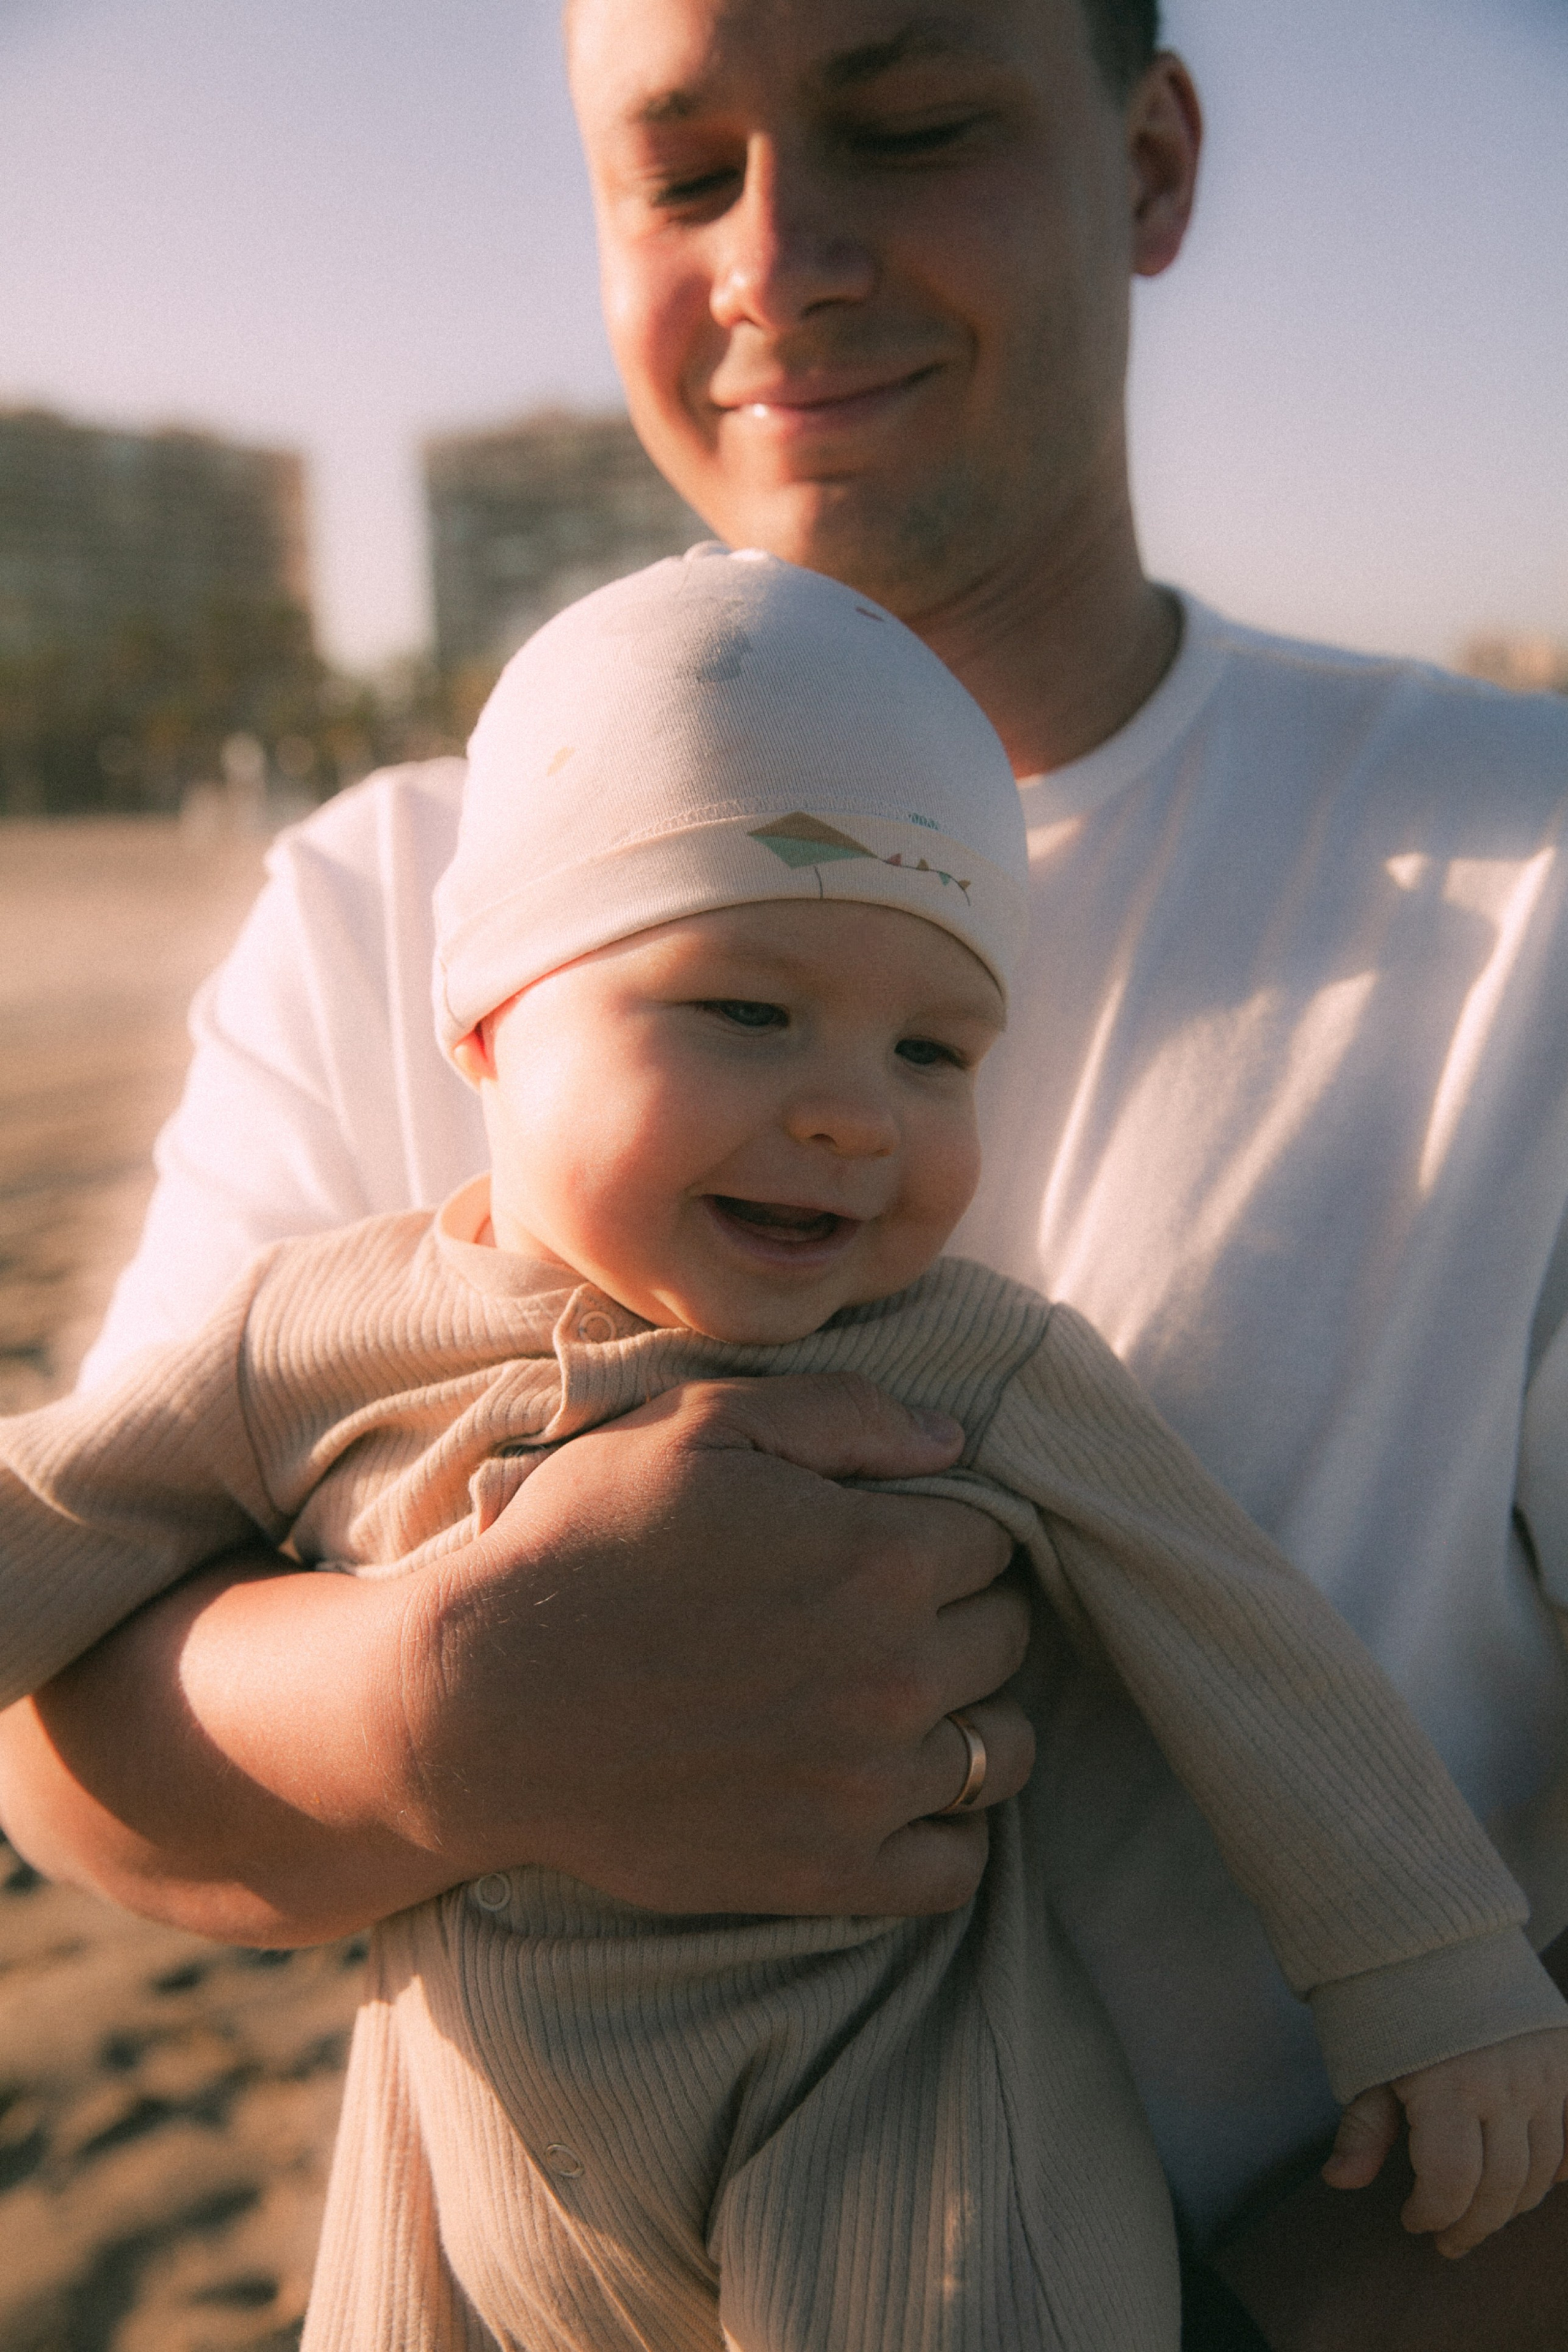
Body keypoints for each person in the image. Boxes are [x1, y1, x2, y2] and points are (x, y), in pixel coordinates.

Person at [2, 2, 1566, 2343]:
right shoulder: (387, 896)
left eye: (909, 122)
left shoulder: (1521, 902)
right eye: (674, 172)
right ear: (491, 1025)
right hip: (479, 2194)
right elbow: (85, 1739)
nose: (777, 257)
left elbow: (1252, 1660)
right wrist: (451, 1709)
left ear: (1148, 161)